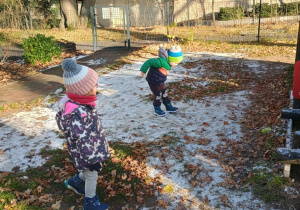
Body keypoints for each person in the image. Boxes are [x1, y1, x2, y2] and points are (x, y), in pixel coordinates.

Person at [56, 58, 110, 210]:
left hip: (91, 148)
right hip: (85, 152)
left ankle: (76, 182)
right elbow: (82, 138)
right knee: (92, 173)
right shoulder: (76, 112)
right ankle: (90, 202)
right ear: (83, 90)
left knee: (88, 171)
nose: (97, 86)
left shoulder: (83, 104)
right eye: (94, 85)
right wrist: (92, 160)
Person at [140, 45, 183, 116]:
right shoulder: (161, 62)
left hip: (160, 81)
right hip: (153, 81)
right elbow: (149, 62)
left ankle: (168, 106)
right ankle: (157, 108)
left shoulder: (168, 63)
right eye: (175, 62)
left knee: (164, 93)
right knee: (158, 95)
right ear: (170, 59)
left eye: (177, 63)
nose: (176, 64)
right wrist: (143, 70)